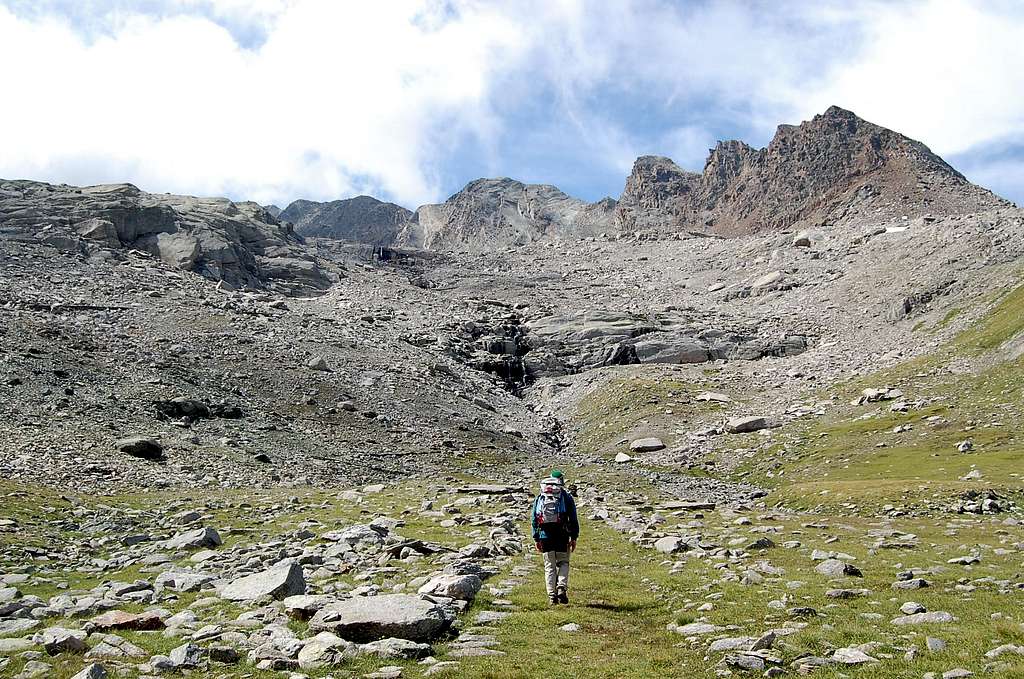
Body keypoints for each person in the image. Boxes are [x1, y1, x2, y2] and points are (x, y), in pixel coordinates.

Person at [531, 469, 579, 605]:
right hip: (562, 535)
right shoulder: (566, 496)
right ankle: (561, 587)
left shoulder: (540, 496)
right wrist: (574, 537)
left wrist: (536, 538)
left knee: (549, 566)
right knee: (563, 562)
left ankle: (552, 596)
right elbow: (573, 518)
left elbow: (534, 519)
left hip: (545, 535)